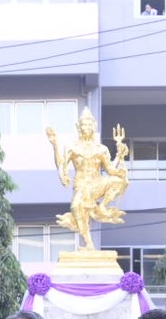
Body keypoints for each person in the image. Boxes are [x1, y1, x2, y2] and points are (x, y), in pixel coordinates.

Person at [47, 107, 129, 250]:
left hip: (97, 183)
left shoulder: (101, 149)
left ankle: (102, 206)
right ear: (78, 127)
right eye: (84, 124)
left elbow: (109, 169)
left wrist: (120, 163)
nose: (87, 127)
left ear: (94, 126)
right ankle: (89, 243)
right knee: (76, 207)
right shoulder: (72, 147)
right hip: (81, 185)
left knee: (121, 181)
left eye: (89, 124)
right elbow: (61, 165)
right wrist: (55, 146)